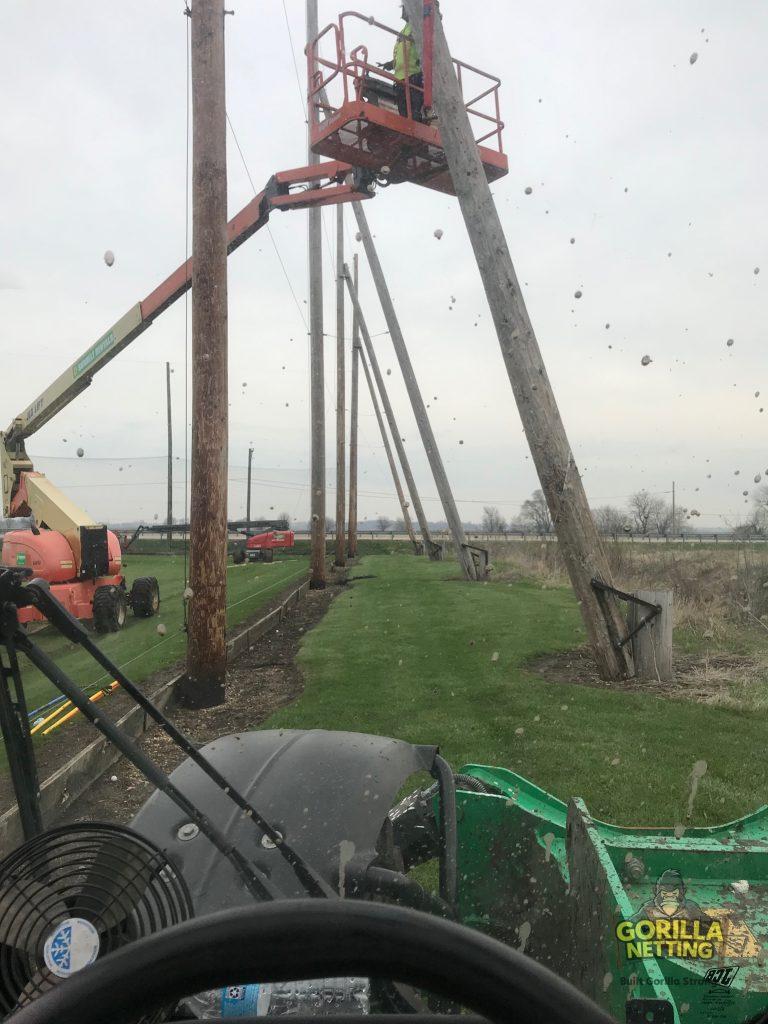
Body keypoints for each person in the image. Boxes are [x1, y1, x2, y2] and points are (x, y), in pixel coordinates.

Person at [379, 4, 423, 121]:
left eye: (404, 8)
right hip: (400, 79)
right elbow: (402, 54)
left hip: (414, 76)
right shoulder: (403, 31)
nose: (402, 11)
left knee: (414, 113)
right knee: (404, 115)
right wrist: (390, 64)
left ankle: (417, 129)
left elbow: (425, 47)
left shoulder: (418, 25)